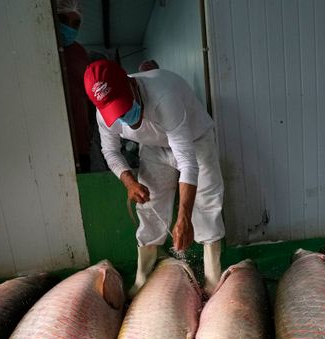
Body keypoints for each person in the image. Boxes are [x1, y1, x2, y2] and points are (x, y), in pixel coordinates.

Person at [83, 59, 224, 297]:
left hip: (195, 140)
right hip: (153, 146)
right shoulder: (103, 114)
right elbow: (110, 151)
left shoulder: (164, 96)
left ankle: (212, 280)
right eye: (117, 112)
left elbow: (187, 162)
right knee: (149, 205)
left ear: (131, 83)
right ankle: (143, 276)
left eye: (125, 106)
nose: (125, 117)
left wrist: (184, 218)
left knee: (206, 201)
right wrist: (129, 182)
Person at [56, 0, 91, 172]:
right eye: (63, 20)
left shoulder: (80, 54)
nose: (69, 28)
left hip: (80, 139)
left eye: (75, 24)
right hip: (54, 137)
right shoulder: (41, 49)